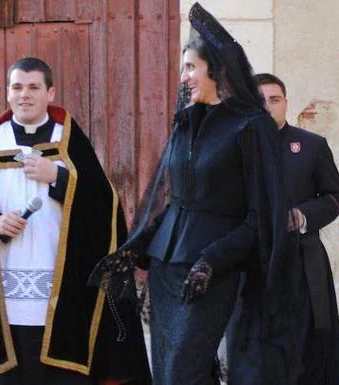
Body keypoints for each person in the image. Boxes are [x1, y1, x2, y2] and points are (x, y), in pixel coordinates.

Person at [0, 57, 151, 385]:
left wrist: (60, 179)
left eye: (34, 87)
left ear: (50, 93)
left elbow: (106, 210)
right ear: (7, 94)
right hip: (1, 288)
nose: (25, 95)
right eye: (17, 87)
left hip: (61, 288)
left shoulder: (70, 141)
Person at [90, 3, 296, 385]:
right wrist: (135, 247)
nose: (182, 76)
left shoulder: (251, 127)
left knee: (184, 371)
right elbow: (174, 203)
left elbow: (261, 216)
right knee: (170, 374)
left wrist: (211, 260)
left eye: (190, 67)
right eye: (182, 67)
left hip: (211, 274)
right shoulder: (185, 122)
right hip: (167, 272)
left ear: (215, 71)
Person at [226, 73, 339, 385]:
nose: (267, 107)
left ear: (286, 104)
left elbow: (336, 196)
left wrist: (301, 216)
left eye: (274, 99)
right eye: (259, 101)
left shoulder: (311, 146)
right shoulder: (232, 151)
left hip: (302, 263)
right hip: (251, 265)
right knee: (254, 346)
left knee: (306, 345)